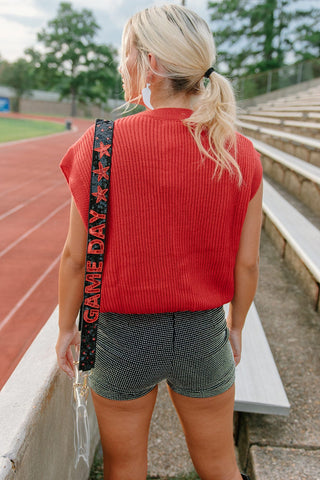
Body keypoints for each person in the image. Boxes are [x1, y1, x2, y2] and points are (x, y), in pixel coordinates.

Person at [56, 4, 262, 480]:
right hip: (202, 331)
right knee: (218, 464)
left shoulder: (101, 143)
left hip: (121, 336)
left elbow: (75, 257)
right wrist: (235, 327)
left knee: (125, 465)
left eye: (128, 53)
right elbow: (246, 265)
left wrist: (67, 329)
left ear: (151, 64)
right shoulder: (238, 152)